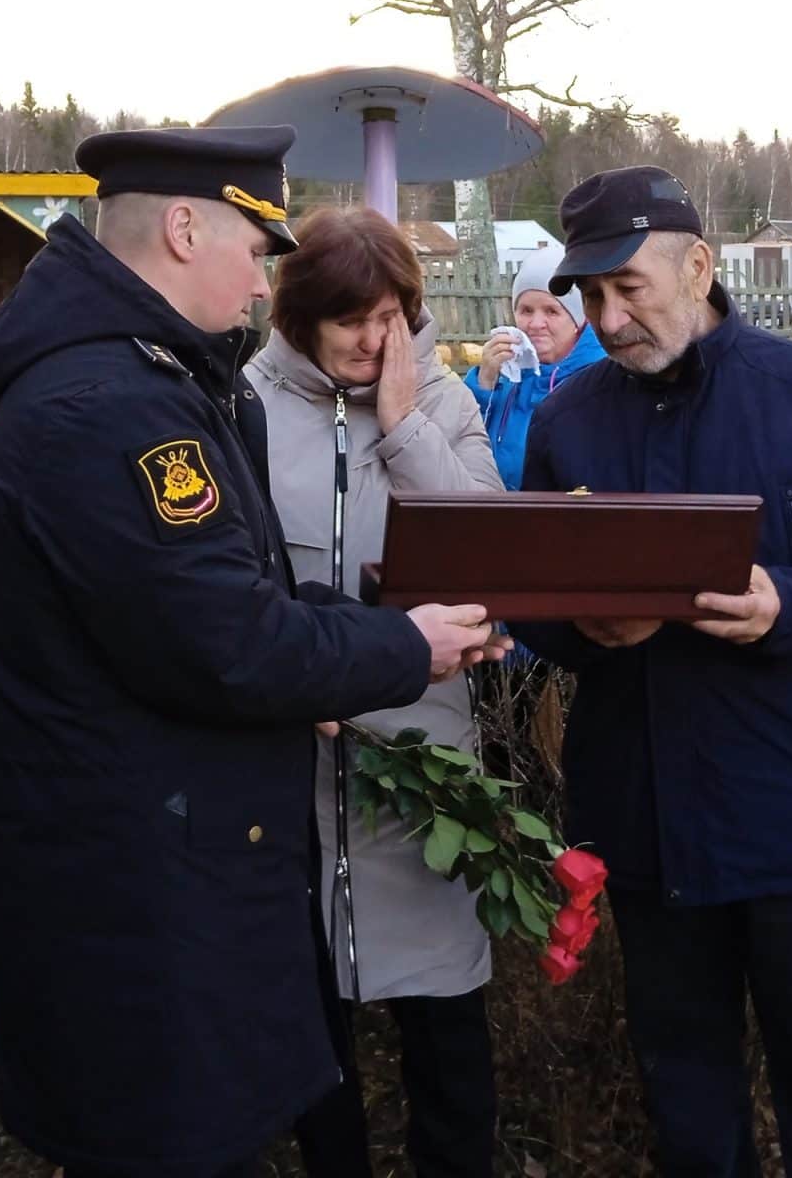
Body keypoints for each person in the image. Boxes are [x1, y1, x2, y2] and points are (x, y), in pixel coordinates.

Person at [0, 127, 508, 1178]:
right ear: (179, 229)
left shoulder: (138, 381)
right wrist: (399, 644)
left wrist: (356, 647)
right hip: (135, 886)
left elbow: (226, 601)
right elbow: (227, 640)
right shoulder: (113, 405)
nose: (259, 281)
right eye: (253, 251)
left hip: (152, 862)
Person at [512, 165, 792, 1178]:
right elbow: (530, 593)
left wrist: (785, 605)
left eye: (630, 289)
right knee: (684, 1087)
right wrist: (582, 627)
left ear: (697, 265)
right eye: (590, 295)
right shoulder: (569, 417)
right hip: (644, 817)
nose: (608, 318)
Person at [247, 207, 504, 1178]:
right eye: (347, 317)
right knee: (313, 1021)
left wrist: (402, 426)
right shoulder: (243, 407)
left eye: (388, 316)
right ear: (298, 314)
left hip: (422, 760)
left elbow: (490, 552)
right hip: (291, 761)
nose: (367, 339)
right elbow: (228, 581)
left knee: (446, 1021)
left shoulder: (444, 403)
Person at [464, 247, 607, 489]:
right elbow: (463, 445)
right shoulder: (507, 375)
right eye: (526, 310)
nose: (535, 324)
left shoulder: (599, 378)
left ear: (577, 319)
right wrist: (484, 383)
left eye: (552, 311)